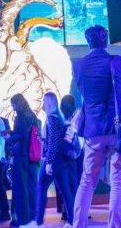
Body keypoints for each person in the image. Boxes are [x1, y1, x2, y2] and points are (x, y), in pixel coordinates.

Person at [71, 25, 121, 228]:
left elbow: (83, 93)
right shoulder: (116, 61)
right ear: (105, 40)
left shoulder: (79, 65)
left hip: (93, 131)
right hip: (119, 132)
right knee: (118, 184)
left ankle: (78, 225)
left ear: (88, 41)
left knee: (87, 182)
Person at [36, 92, 76, 227]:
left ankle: (39, 222)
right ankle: (72, 221)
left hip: (54, 160)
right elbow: (53, 139)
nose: (42, 104)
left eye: (44, 101)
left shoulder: (52, 118)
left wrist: (49, 162)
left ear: (48, 102)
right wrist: (41, 139)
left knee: (41, 186)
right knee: (65, 190)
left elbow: (54, 142)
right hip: (62, 160)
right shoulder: (58, 117)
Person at [5, 94, 40, 228]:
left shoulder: (20, 116)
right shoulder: (32, 115)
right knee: (32, 187)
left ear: (18, 103)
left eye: (13, 104)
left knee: (21, 189)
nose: (13, 107)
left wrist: (9, 137)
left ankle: (22, 220)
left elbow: (22, 135)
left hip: (22, 156)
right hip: (32, 155)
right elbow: (28, 133)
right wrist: (12, 131)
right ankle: (32, 217)